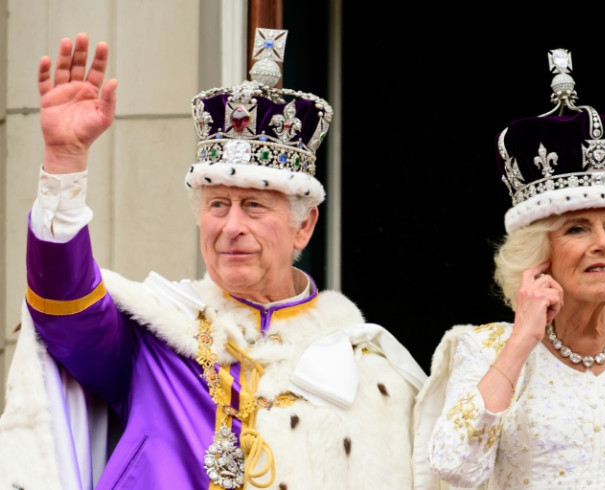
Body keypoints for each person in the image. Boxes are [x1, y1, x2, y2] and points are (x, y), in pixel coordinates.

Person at [0, 30, 427, 490]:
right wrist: (65, 161)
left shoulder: (372, 368)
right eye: (217, 205)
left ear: (304, 225)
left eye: (255, 206)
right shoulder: (155, 337)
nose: (231, 226)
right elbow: (63, 306)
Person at [412, 49, 605, 489]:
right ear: (540, 253)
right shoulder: (485, 349)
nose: (603, 243)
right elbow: (452, 466)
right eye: (578, 228)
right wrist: (522, 339)